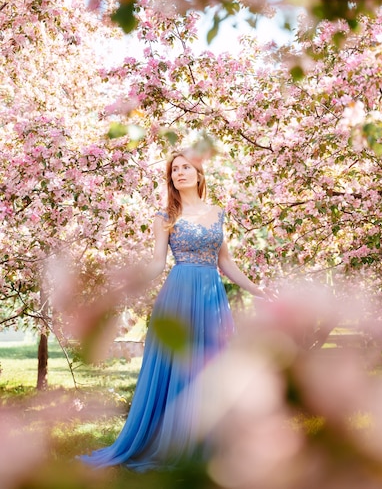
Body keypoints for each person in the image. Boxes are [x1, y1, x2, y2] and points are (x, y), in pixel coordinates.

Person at [78, 148, 264, 472]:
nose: (179, 173)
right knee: (179, 366)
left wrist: (258, 290)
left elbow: (226, 263)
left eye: (184, 168)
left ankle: (213, 445)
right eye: (174, 170)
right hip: (178, 295)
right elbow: (156, 264)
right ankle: (174, 443)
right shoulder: (165, 217)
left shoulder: (217, 213)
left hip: (211, 298)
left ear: (198, 174)